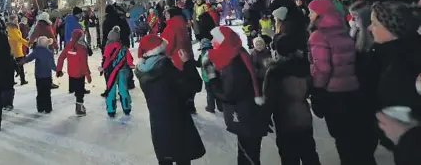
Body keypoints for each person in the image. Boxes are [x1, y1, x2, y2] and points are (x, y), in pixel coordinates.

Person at [307, 0, 377, 165]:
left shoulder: (318, 35)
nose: (309, 15)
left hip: (333, 94)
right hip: (352, 91)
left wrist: (316, 89)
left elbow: (323, 69)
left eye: (311, 12)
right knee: (357, 141)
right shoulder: (343, 30)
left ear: (319, 14)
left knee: (343, 143)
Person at [135, 34, 206, 165]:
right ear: (159, 50)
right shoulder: (166, 68)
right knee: (182, 156)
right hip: (177, 121)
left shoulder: (142, 71)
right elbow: (194, 85)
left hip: (157, 122)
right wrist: (187, 63)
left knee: (165, 156)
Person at [207, 26, 269, 165]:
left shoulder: (234, 65)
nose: (212, 42)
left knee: (248, 157)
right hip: (247, 115)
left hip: (246, 118)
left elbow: (228, 95)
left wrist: (212, 79)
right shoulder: (235, 54)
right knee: (247, 154)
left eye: (215, 39)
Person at [368, 2, 421, 148]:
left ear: (392, 28)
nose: (370, 28)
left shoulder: (408, 62)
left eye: (375, 24)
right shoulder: (384, 55)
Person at [264, 28, 321, 165]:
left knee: (288, 155)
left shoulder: (275, 71)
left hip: (284, 119)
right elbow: (315, 89)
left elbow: (269, 97)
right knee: (309, 152)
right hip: (303, 115)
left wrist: (265, 117)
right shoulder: (305, 67)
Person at [56, 28, 92, 117]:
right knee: (80, 91)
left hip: (71, 72)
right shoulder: (82, 48)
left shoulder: (69, 45)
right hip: (80, 73)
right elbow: (84, 64)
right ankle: (79, 108)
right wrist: (88, 75)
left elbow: (61, 57)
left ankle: (77, 101)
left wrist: (59, 69)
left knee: (76, 88)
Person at [100, 26, 133, 118]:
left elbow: (106, 59)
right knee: (123, 90)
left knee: (111, 90)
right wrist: (130, 64)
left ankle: (111, 110)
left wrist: (103, 67)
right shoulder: (123, 47)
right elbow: (129, 58)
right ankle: (127, 108)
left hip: (111, 72)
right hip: (122, 71)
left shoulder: (108, 47)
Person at [23, 36, 57, 113]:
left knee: (40, 92)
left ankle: (40, 107)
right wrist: (57, 70)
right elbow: (51, 65)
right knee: (47, 92)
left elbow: (28, 58)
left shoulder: (36, 51)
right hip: (47, 76)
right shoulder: (49, 53)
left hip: (38, 75)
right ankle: (48, 108)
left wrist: (24, 61)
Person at [6, 14, 28, 86]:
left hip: (17, 47)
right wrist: (27, 43)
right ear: (11, 21)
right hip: (15, 48)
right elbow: (18, 38)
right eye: (15, 20)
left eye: (17, 20)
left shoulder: (15, 27)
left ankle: (13, 80)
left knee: (14, 65)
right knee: (20, 65)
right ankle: (22, 80)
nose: (16, 21)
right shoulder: (11, 29)